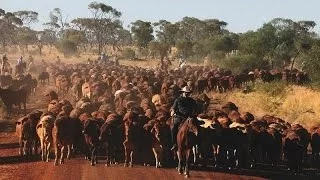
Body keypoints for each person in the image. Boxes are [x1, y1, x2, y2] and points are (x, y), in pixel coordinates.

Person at [170, 86, 198, 151]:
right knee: (173, 127)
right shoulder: (178, 100)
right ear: (182, 92)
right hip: (180, 118)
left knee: (198, 126)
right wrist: (173, 111)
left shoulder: (192, 100)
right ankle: (174, 144)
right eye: (186, 93)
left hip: (190, 117)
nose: (187, 94)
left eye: (188, 93)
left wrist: (195, 113)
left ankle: (199, 142)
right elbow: (174, 108)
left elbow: (196, 108)